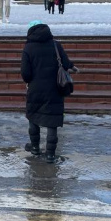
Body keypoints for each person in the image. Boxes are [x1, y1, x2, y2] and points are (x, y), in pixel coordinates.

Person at [21, 20, 78, 163]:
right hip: (54, 89)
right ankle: (51, 154)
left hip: (35, 89)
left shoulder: (28, 48)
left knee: (33, 117)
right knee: (52, 121)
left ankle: (35, 148)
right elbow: (65, 63)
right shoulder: (55, 45)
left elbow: (25, 73)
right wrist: (73, 67)